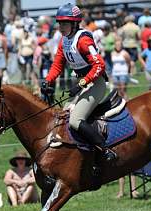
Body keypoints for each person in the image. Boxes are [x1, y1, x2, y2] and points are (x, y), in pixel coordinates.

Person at [41, 3, 116, 162]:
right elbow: (57, 65)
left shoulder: (83, 40)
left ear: (75, 23)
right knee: (63, 116)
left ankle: (105, 150)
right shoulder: (64, 41)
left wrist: (82, 83)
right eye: (59, 23)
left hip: (96, 84)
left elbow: (99, 65)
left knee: (75, 121)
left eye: (65, 23)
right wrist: (47, 81)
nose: (61, 27)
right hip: (83, 85)